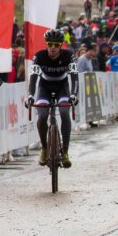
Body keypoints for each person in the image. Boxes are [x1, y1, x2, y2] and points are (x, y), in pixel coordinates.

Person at [26, 29, 79, 168]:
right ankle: (44, 148)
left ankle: (65, 152)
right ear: (46, 44)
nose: (53, 48)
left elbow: (74, 77)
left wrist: (73, 95)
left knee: (63, 111)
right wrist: (30, 95)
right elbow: (33, 79)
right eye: (50, 44)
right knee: (42, 116)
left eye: (56, 45)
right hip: (44, 88)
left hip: (62, 88)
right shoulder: (39, 56)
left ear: (61, 45)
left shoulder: (69, 56)